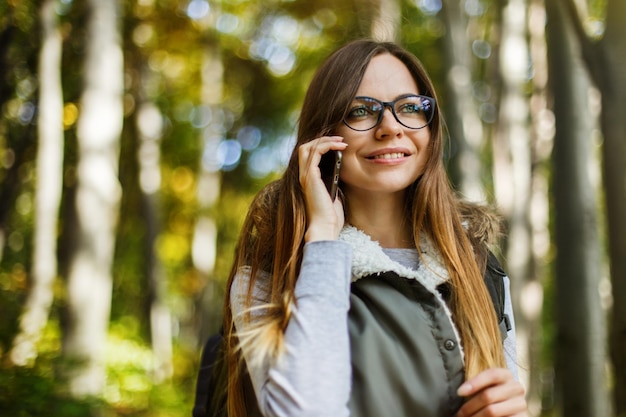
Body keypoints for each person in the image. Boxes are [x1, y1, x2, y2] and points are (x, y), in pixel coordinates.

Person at [221, 39, 527, 417]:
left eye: (410, 108)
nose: (390, 128)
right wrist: (322, 239)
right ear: (322, 135)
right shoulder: (272, 274)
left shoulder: (480, 266)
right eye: (361, 111)